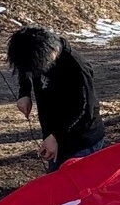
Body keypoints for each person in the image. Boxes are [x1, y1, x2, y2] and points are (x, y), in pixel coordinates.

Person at [7, 26, 106, 170]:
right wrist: (24, 93)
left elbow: (85, 111)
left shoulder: (78, 69)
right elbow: (25, 69)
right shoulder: (35, 52)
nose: (34, 71)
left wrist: (57, 137)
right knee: (56, 182)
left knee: (77, 183)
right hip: (54, 138)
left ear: (50, 54)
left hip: (81, 143)